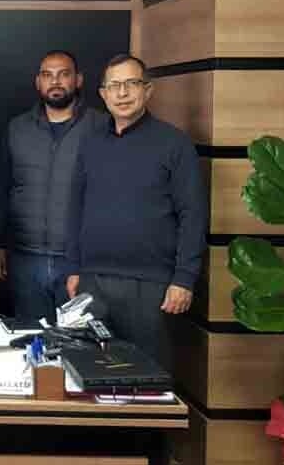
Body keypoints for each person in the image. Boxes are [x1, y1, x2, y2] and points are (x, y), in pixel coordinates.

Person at [65, 53, 207, 372]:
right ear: (103, 94)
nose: (122, 93)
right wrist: (73, 268)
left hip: (152, 286)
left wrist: (184, 278)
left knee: (149, 379)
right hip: (93, 282)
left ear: (148, 90)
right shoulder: (90, 143)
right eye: (114, 86)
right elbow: (75, 208)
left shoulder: (174, 144)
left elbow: (192, 215)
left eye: (131, 83)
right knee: (91, 374)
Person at [0, 50, 107, 325]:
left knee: (78, 340)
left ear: (78, 80)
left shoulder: (101, 126)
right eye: (47, 75)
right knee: (32, 338)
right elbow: (3, 188)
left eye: (63, 74)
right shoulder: (17, 128)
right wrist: (0, 244)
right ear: (38, 82)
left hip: (79, 260)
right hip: (25, 258)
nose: (55, 82)